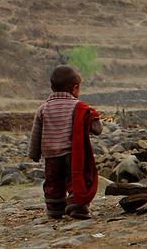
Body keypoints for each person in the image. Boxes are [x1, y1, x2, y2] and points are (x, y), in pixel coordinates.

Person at [27, 65, 103, 220]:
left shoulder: (43, 109)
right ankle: (77, 206)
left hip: (51, 155)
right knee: (75, 178)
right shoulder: (78, 107)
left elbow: (36, 134)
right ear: (75, 88)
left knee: (53, 182)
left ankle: (55, 208)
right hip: (72, 154)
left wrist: (34, 154)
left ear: (51, 87)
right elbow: (96, 127)